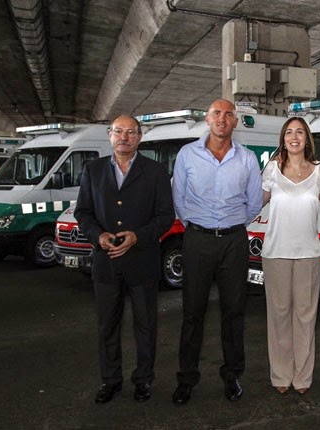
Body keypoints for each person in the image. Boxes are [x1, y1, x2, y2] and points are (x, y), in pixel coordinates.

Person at [74, 115, 175, 404]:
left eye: (131, 132)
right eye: (119, 131)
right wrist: (98, 236)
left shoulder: (155, 171)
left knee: (145, 326)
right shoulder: (92, 170)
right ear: (109, 135)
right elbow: (83, 212)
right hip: (106, 262)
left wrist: (137, 236)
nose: (124, 137)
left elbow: (166, 216)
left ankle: (144, 380)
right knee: (107, 326)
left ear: (139, 137)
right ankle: (110, 380)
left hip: (142, 261)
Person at [171, 99, 263, 405]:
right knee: (192, 312)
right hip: (197, 240)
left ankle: (232, 376)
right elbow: (179, 199)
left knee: (234, 312)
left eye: (228, 114)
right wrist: (198, 226)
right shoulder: (187, 154)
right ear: (207, 119)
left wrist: (231, 226)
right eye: (216, 114)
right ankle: (186, 379)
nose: (222, 119)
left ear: (235, 121)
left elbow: (254, 203)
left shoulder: (247, 158)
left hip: (234, 242)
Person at [261, 117, 320, 395]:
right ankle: (281, 374)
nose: (294, 137)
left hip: (309, 255)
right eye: (289, 132)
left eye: (299, 132)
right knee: (278, 316)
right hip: (275, 253)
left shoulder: (319, 171)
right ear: (283, 139)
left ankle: (302, 377)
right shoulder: (271, 170)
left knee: (305, 316)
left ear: (307, 139)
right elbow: (253, 203)